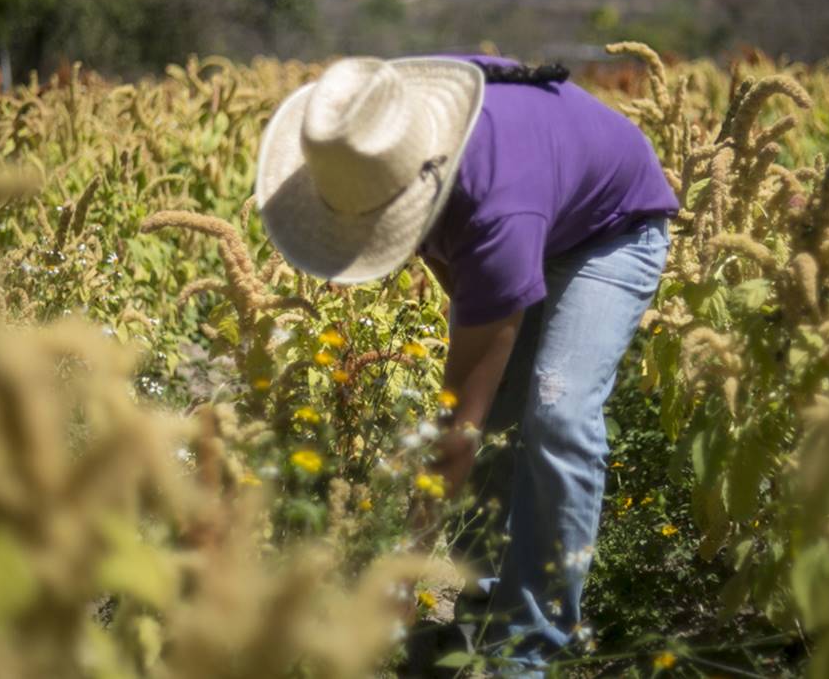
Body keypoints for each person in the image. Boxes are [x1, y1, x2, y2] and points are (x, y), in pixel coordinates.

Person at [254, 55, 678, 676]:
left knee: (555, 412)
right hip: (530, 210)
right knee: (503, 414)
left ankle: (529, 646)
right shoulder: (384, 132)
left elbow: (457, 431)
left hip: (612, 231)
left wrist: (404, 568)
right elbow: (447, 265)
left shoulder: (493, 208)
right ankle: (465, 605)